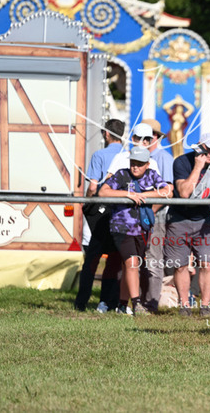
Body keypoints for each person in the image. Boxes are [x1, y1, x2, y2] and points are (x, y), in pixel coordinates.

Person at [163, 133, 210, 316]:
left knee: (206, 264)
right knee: (180, 265)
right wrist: (198, 166)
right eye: (209, 150)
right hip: (179, 220)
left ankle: (205, 306)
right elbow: (184, 192)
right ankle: (184, 305)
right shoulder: (181, 162)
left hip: (205, 221)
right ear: (199, 147)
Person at [99, 147, 171, 315]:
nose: (135, 167)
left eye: (139, 164)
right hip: (121, 227)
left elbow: (168, 191)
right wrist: (128, 194)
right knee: (132, 263)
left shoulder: (152, 175)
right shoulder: (121, 174)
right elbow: (103, 191)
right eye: (133, 163)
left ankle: (123, 305)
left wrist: (144, 195)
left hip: (142, 228)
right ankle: (137, 304)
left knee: (129, 266)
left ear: (147, 164)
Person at [75, 119, 125, 312]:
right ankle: (109, 301)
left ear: (106, 133)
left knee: (93, 257)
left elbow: (93, 186)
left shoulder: (99, 155)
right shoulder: (127, 155)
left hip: (102, 211)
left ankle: (81, 301)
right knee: (114, 259)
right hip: (120, 211)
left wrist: (89, 202)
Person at [139, 118, 174, 312]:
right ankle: (139, 299)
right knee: (138, 258)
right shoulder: (137, 157)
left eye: (147, 135)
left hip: (156, 216)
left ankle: (151, 302)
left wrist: (149, 212)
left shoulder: (163, 158)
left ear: (155, 137)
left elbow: (168, 191)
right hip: (139, 215)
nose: (143, 139)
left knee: (153, 259)